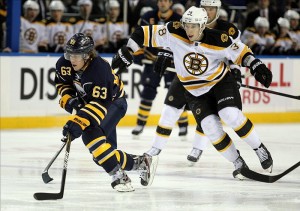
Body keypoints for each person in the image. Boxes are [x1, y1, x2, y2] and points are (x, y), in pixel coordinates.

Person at [111, 6, 274, 179]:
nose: (189, 29)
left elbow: (241, 52)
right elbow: (142, 33)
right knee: (211, 128)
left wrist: (256, 65)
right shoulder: (174, 31)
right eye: (186, 25)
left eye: (193, 26)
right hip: (195, 91)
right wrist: (129, 49)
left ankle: (259, 149)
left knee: (230, 115)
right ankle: (238, 162)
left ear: (202, 26)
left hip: (220, 84)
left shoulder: (219, 39)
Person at [135, 0, 244, 166]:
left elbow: (235, 53)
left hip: (214, 79)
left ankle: (198, 147)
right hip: (186, 74)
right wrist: (166, 52)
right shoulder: (189, 23)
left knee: (207, 116)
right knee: (169, 110)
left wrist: (235, 70)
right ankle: (155, 148)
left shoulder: (229, 30)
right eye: (205, 8)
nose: (207, 12)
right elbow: (174, 40)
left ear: (218, 10)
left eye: (211, 9)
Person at [55, 33, 158, 192]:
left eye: (77, 55)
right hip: (93, 104)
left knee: (90, 135)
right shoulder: (64, 63)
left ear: (88, 55)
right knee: (102, 155)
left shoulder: (99, 70)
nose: (72, 59)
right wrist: (70, 101)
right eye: (70, 54)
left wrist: (78, 122)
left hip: (114, 103)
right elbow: (62, 84)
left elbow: (100, 104)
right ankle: (141, 163)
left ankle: (119, 177)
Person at [128, 0, 189, 137]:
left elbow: (186, 42)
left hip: (172, 63)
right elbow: (138, 35)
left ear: (171, 3)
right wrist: (137, 57)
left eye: (166, 1)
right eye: (160, 0)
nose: (163, 3)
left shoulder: (179, 20)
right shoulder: (147, 16)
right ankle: (140, 124)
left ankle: (183, 125)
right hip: (151, 61)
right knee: (147, 92)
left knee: (176, 93)